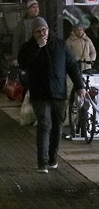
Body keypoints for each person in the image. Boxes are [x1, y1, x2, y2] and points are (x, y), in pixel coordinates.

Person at [18, 16, 85, 173]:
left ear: (48, 29)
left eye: (44, 30)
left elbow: (72, 67)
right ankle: (42, 162)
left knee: (57, 126)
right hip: (40, 94)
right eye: (38, 32)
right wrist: (38, 48)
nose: (42, 34)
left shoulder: (60, 45)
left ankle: (53, 158)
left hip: (58, 93)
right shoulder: (28, 47)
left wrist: (80, 86)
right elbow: (23, 63)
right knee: (44, 124)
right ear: (33, 33)